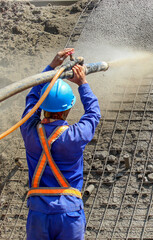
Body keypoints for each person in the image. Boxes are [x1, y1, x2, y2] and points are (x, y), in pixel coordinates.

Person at [20, 48, 101, 240]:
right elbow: (93, 114)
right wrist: (83, 84)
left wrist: (51, 68)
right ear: (69, 108)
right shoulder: (74, 136)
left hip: (38, 213)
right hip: (69, 213)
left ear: (43, 107)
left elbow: (32, 99)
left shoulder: (29, 131)